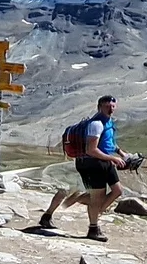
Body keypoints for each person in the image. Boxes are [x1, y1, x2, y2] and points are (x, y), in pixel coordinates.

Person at [40, 96, 127, 242]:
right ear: (99, 107)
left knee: (117, 191)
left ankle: (87, 204)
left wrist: (121, 153)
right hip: (92, 163)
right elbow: (91, 150)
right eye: (107, 106)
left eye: (113, 106)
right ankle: (93, 227)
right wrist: (112, 158)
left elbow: (109, 142)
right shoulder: (96, 124)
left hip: (105, 161)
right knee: (97, 197)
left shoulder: (108, 123)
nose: (110, 109)